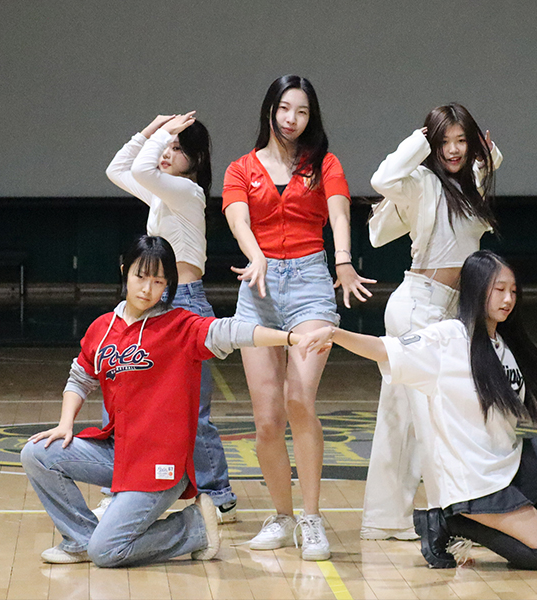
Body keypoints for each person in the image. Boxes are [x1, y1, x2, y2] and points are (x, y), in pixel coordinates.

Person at [298, 250, 537, 571]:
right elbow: (384, 349)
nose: (508, 299)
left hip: (507, 463)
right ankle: (454, 522)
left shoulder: (503, 342)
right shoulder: (446, 338)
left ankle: (519, 522)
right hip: (475, 483)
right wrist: (334, 334)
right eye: (499, 290)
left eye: (513, 291)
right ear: (476, 289)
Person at [21, 236, 306, 567]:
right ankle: (80, 540)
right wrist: (65, 423)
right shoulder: (103, 328)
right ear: (125, 271)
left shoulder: (180, 327)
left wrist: (290, 338)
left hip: (161, 466)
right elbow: (80, 378)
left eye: (158, 282)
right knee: (37, 454)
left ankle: (194, 528)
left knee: (107, 552)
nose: (147, 289)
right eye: (141, 277)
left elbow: (232, 332)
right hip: (119, 454)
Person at [221, 74, 374, 561]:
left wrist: (343, 259)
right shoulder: (241, 168)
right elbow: (238, 219)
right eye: (285, 108)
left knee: (299, 399)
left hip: (310, 284)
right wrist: (256, 256)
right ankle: (282, 516)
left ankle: (311, 518)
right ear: (270, 110)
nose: (292, 119)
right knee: (267, 420)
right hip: (259, 289)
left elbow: (339, 214)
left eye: (302, 111)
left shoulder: (324, 163)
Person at [361, 103, 503, 541]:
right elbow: (382, 179)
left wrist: (483, 151)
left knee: (429, 416)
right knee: (409, 415)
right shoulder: (422, 182)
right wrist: (419, 140)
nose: (453, 150)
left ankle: (407, 517)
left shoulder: (472, 186)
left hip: (454, 311)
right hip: (418, 306)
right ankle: (397, 519)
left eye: (461, 141)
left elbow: (492, 160)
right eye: (444, 142)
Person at [104, 112, 238, 523]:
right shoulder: (164, 195)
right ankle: (124, 487)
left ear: (196, 158)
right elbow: (117, 170)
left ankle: (218, 495)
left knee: (191, 412)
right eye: (166, 147)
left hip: (184, 305)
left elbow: (140, 169)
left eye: (178, 148)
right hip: (154, 305)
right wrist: (151, 130)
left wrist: (162, 132)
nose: (167, 152)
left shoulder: (187, 192)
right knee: (132, 400)